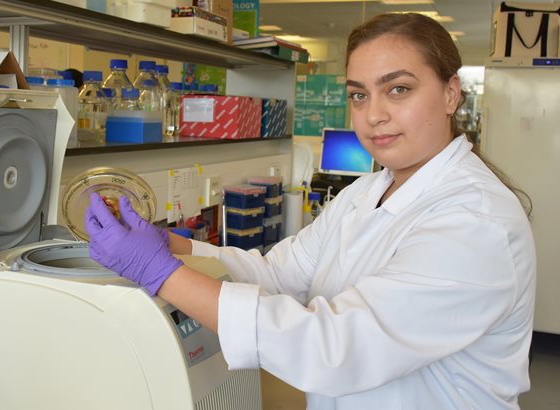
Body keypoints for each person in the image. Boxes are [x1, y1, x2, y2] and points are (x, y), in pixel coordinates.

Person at [84, 12, 536, 410]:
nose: (373, 114)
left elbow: (335, 348)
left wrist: (160, 273)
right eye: (359, 95)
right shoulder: (366, 192)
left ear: (451, 93)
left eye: (398, 89)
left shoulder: (477, 221)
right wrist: (173, 246)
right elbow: (278, 274)